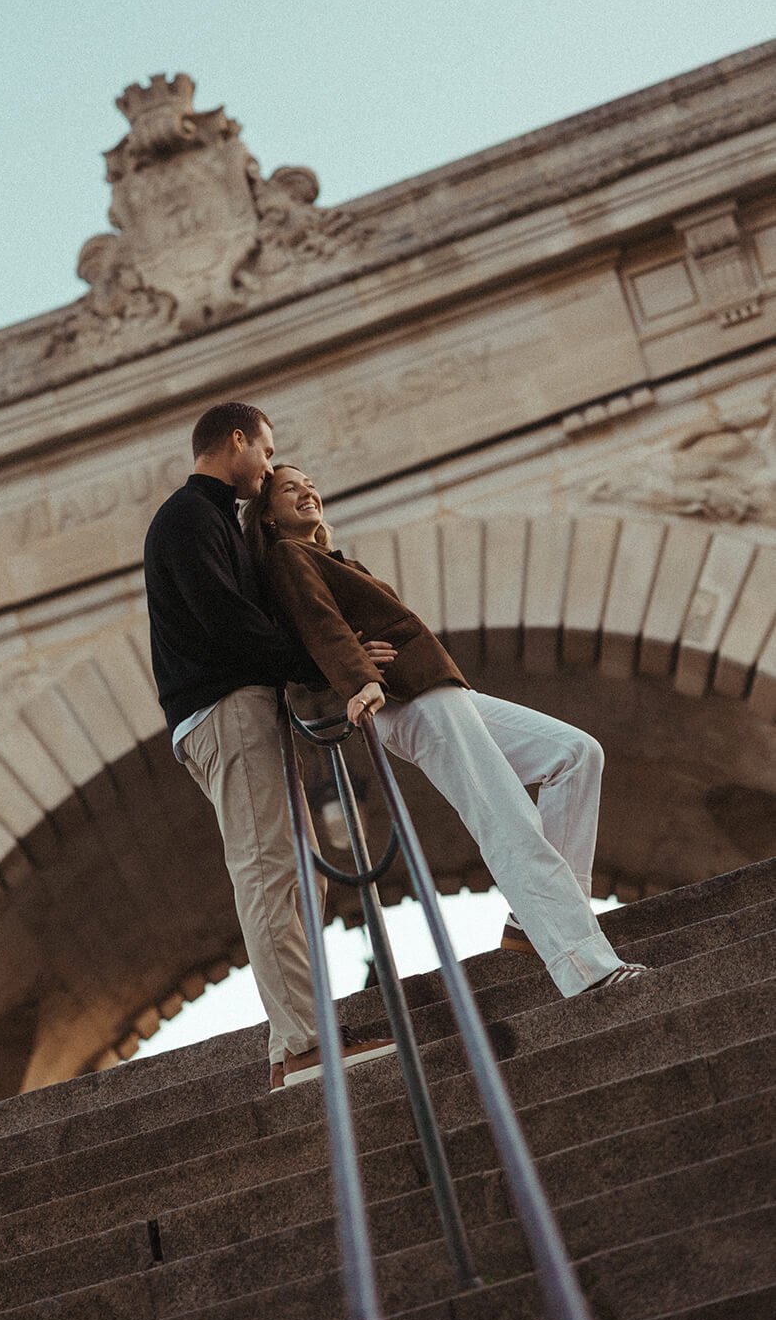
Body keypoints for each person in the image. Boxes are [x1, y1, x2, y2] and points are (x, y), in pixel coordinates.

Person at [243, 464, 648, 998]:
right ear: (268, 515)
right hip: (412, 702)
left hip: (443, 693)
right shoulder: (288, 557)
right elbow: (321, 624)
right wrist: (360, 680)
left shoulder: (327, 558)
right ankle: (584, 963)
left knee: (575, 754)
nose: (307, 491)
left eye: (310, 483)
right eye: (288, 489)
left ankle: (534, 924)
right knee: (505, 815)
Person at [143, 403, 397, 1090]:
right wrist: (325, 667)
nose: (269, 463)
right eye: (267, 449)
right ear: (236, 441)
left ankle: (306, 1033)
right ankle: (302, 1045)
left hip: (240, 710)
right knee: (267, 871)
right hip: (222, 709)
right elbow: (226, 623)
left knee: (299, 872)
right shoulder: (189, 518)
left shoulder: (210, 520)